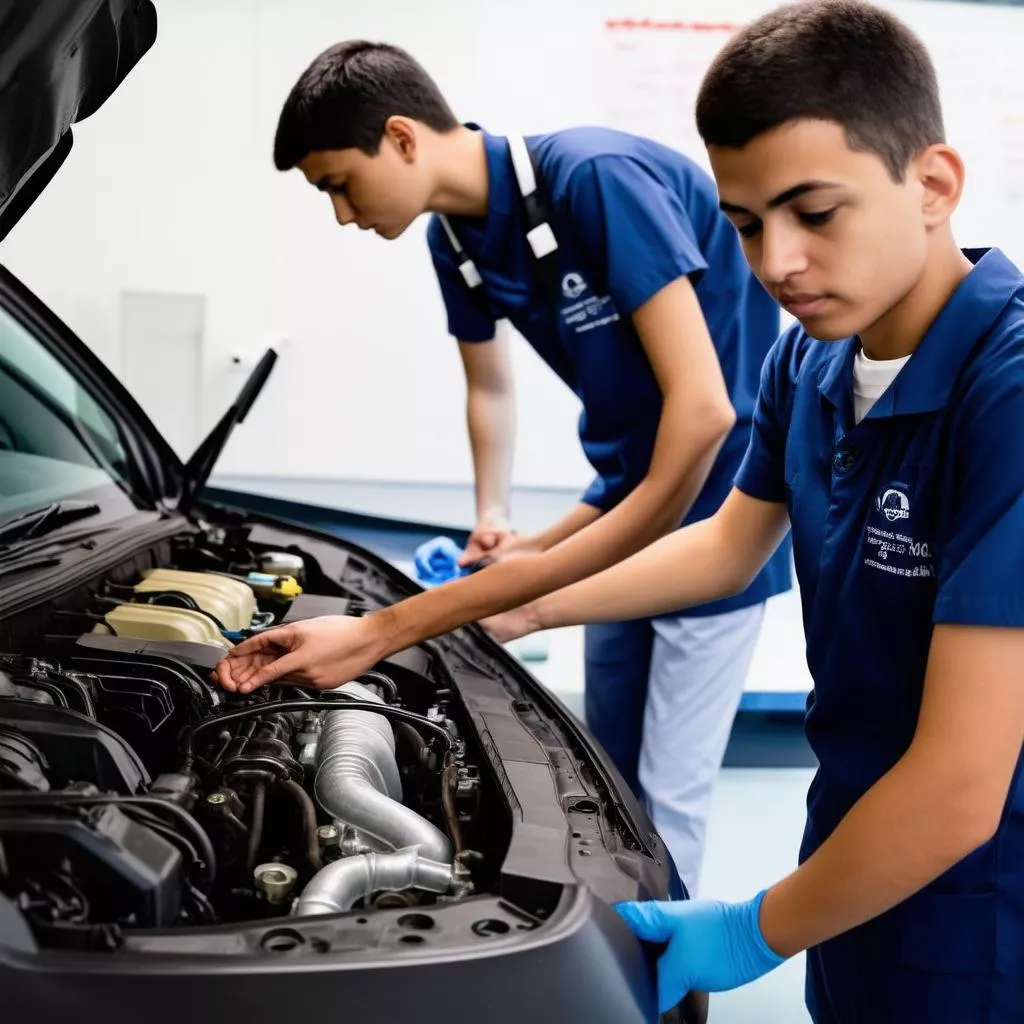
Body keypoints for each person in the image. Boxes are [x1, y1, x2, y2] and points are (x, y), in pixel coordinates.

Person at [219, 2, 1024, 1019]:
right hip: (853, 853)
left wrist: (751, 928)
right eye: (743, 226)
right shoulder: (809, 358)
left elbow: (958, 787)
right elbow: (728, 543)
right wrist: (513, 607)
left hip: (982, 895)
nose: (775, 264)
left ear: (933, 186)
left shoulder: (1006, 389)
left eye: (814, 213)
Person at [266, 40, 791, 893]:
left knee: (669, 791)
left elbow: (703, 415)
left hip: (720, 519)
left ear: (401, 138)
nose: (341, 213)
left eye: (337, 183)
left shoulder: (595, 176)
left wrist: (535, 590)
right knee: (611, 775)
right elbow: (490, 389)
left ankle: (661, 992)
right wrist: (499, 524)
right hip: (629, 505)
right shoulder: (457, 245)